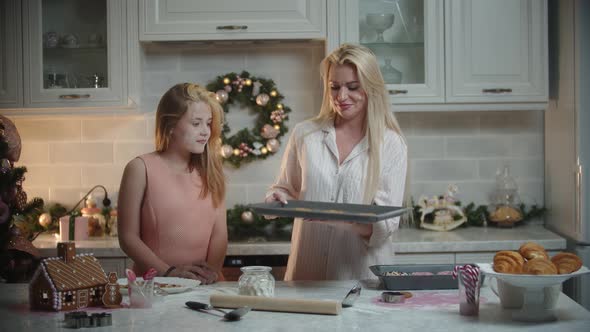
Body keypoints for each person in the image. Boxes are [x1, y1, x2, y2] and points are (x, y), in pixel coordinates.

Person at [265, 44, 408, 281]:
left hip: (360, 281)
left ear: (371, 88)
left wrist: (335, 218)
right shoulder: (305, 135)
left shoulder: (391, 144)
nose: (341, 97)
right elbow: (283, 189)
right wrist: (275, 199)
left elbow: (384, 227)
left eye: (352, 87)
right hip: (305, 277)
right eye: (334, 87)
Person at [118, 83, 227, 284]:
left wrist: (211, 272)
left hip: (205, 287)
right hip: (156, 285)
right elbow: (127, 237)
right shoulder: (139, 168)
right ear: (170, 126)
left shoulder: (211, 171)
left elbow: (219, 235)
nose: (205, 131)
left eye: (208, 123)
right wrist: (168, 273)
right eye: (196, 123)